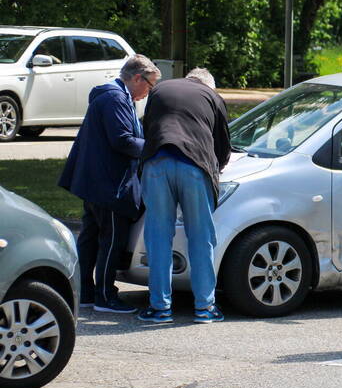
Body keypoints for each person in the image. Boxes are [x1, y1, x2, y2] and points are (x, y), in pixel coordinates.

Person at [59, 55, 159, 314]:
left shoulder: (113, 96)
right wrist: (155, 149)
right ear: (137, 78)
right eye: (150, 85)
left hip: (96, 182)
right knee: (111, 241)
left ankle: (85, 292)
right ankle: (105, 296)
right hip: (109, 185)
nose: (149, 92)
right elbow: (122, 140)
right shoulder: (115, 98)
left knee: (91, 239)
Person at [137, 67, 231, 324]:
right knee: (201, 237)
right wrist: (215, 169)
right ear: (208, 85)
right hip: (195, 167)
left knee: (158, 238)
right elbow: (222, 147)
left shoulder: (159, 90)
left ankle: (159, 308)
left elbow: (148, 129)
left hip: (156, 163)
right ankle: (205, 307)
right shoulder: (212, 97)